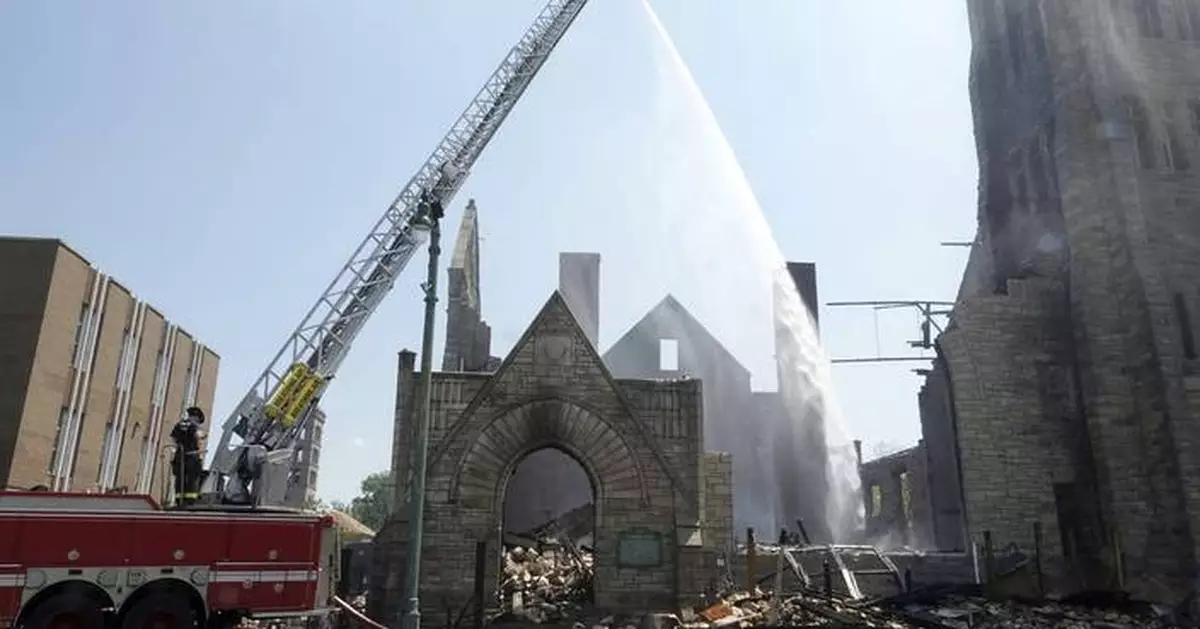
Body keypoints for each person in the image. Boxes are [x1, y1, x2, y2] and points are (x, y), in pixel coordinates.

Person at [170, 406, 207, 506]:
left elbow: (173, 439)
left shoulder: (179, 424)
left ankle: (179, 500)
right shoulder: (194, 426)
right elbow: (200, 436)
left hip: (179, 458)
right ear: (196, 417)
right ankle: (190, 502)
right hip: (191, 457)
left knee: (179, 479)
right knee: (192, 480)